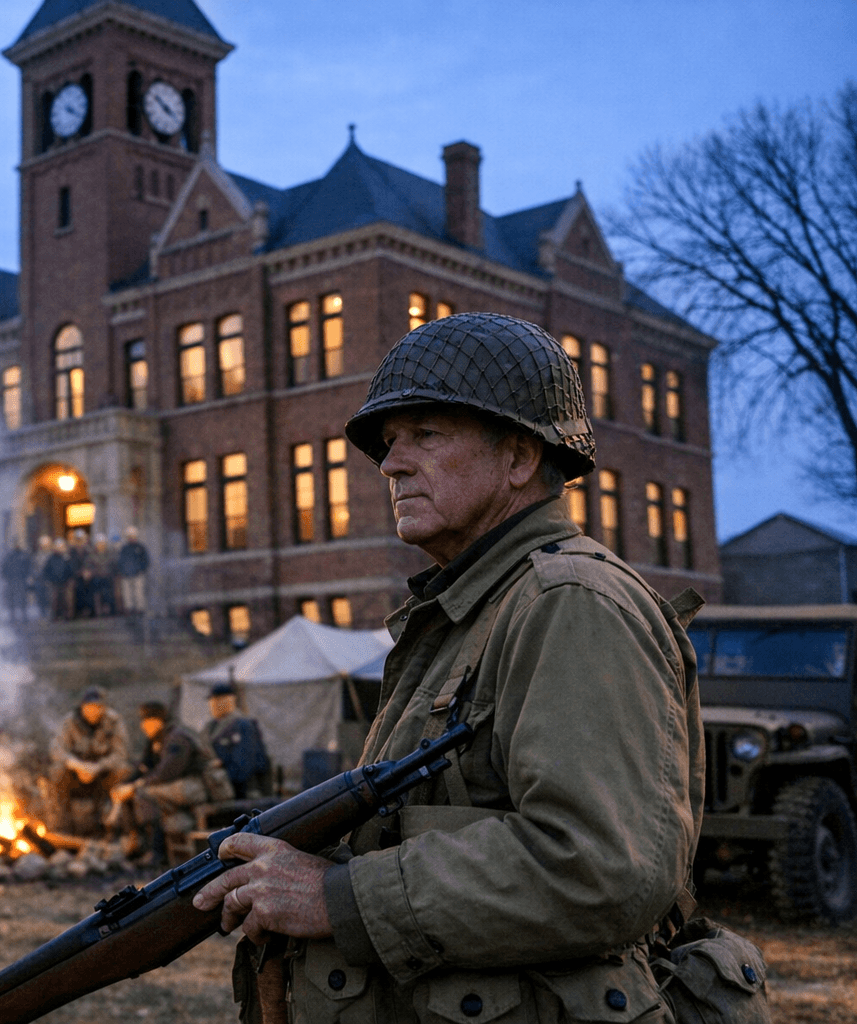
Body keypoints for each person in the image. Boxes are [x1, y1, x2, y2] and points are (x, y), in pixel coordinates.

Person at [193, 313, 703, 1023]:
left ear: (520, 457)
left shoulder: (569, 602)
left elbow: (599, 867)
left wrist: (338, 898)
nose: (392, 464)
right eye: (390, 445)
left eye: (425, 436)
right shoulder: (468, 611)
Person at [113, 701, 232, 867]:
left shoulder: (177, 738)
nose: (144, 726)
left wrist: (134, 787)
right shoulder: (156, 740)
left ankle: (156, 851)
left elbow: (167, 772)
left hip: (199, 784)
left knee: (143, 794)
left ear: (158, 721)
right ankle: (134, 845)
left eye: (148, 721)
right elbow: (143, 767)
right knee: (134, 792)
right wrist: (124, 785)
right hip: (179, 785)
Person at [47, 688, 131, 836]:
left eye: (98, 707)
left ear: (104, 708)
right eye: (89, 707)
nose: (94, 711)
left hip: (103, 774)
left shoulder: (114, 721)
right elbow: (57, 749)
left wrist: (98, 767)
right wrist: (76, 765)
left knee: (124, 770)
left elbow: (121, 753)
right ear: (82, 707)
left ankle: (116, 827)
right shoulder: (69, 721)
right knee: (57, 771)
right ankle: (62, 829)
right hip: (74, 775)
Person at [203, 681, 271, 798]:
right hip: (219, 786)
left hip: (244, 789)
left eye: (218, 700)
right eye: (212, 701)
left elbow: (243, 765)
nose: (213, 704)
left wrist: (221, 765)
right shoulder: (210, 727)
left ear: (229, 700)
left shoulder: (242, 725)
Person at [114, 526, 149, 615]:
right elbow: (120, 561)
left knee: (139, 592)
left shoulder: (140, 548)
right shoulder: (124, 548)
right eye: (129, 536)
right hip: (126, 575)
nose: (131, 538)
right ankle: (129, 609)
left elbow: (146, 560)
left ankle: (140, 609)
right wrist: (122, 571)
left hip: (138, 575)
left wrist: (141, 570)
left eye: (133, 536)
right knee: (127, 594)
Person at [0, 540, 33, 623]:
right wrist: (6, 577)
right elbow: (3, 568)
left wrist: (27, 576)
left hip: (21, 580)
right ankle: (12, 617)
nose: (16, 545)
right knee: (11, 599)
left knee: (23, 599)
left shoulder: (24, 556)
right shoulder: (9, 556)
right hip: (11, 580)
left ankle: (24, 616)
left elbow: (29, 567)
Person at [42, 538, 73, 621]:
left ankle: (66, 616)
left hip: (65, 583)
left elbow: (70, 570)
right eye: (58, 547)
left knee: (65, 600)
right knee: (54, 601)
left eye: (61, 547)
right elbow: (46, 571)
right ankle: (54, 616)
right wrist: (49, 580)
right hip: (54, 583)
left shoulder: (66, 558)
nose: (59, 548)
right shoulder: (51, 559)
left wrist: (69, 579)